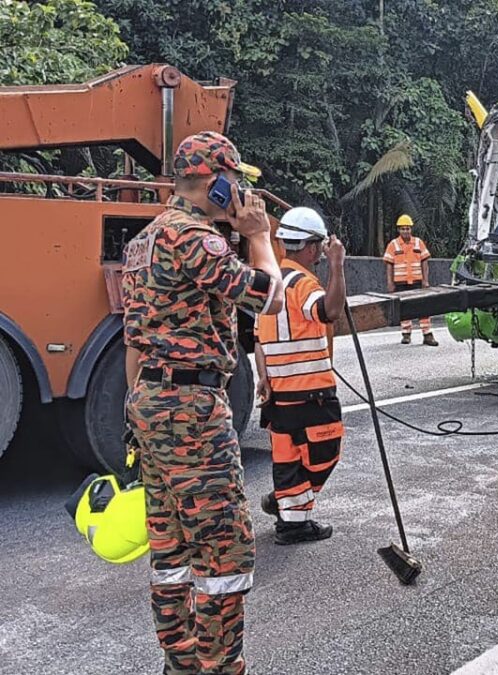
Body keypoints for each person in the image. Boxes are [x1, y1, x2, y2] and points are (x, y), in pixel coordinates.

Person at [122, 131, 284, 675]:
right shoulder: (194, 237)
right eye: (235, 181)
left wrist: (135, 412)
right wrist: (258, 235)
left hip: (148, 399)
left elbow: (131, 341)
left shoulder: (142, 241)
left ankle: (181, 661)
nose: (240, 192)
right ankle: (220, 667)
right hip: (191, 406)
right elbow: (267, 295)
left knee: (170, 548)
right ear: (214, 182)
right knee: (222, 549)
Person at [254, 207, 347, 544]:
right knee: (325, 452)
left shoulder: (271, 285)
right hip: (309, 394)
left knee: (288, 457)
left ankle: (292, 521)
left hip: (280, 395)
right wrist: (337, 266)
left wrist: (263, 377)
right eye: (319, 247)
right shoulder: (302, 283)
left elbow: (258, 340)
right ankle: (287, 504)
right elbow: (330, 311)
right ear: (309, 247)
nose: (321, 254)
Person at [383, 214, 437, 346]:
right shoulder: (393, 245)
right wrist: (390, 283)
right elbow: (389, 265)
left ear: (411, 229)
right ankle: (406, 334)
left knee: (423, 307)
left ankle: (427, 334)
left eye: (408, 229)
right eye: (403, 229)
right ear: (399, 230)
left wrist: (425, 280)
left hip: (417, 281)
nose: (406, 231)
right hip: (400, 283)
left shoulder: (418, 243)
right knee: (404, 309)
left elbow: (425, 262)